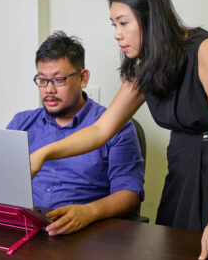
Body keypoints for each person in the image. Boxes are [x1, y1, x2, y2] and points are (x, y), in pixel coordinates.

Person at [30, 0, 208, 260]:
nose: (116, 34)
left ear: (150, 18)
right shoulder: (144, 69)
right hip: (181, 175)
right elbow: (100, 130)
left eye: (123, 23)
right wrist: (44, 153)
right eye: (114, 25)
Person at [7, 31, 144, 236]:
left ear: (83, 78)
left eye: (58, 80)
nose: (48, 90)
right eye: (42, 80)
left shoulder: (116, 126)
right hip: (24, 228)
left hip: (85, 232)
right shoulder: (22, 122)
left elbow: (129, 193)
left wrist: (89, 212)